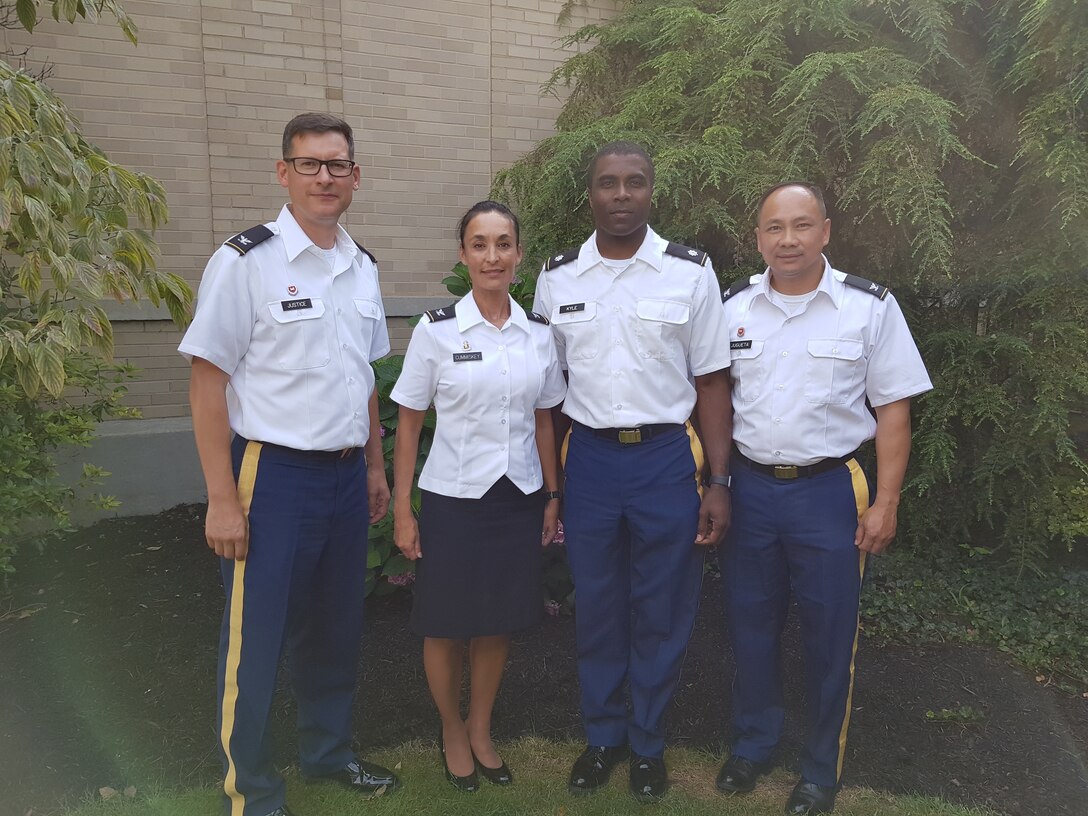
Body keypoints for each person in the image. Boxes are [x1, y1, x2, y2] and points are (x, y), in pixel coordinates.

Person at [178, 112, 399, 816]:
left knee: (334, 631)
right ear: (284, 173)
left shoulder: (359, 266)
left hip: (341, 478)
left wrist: (373, 465)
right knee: (257, 640)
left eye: (337, 165)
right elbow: (208, 381)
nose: (324, 178)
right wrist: (220, 497)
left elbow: (363, 376)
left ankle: (328, 755)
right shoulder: (246, 261)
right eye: (309, 164)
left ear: (355, 176)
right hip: (270, 477)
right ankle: (252, 790)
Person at [716, 182, 933, 815]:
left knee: (829, 635)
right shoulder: (733, 309)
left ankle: (818, 767)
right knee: (750, 626)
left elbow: (893, 410)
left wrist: (886, 500)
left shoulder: (867, 308)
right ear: (757, 238)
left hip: (829, 491)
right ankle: (754, 744)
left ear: (827, 231)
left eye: (802, 225)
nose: (788, 239)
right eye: (774, 227)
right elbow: (714, 402)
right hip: (751, 489)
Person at [532, 142, 734, 802]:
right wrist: (552, 490)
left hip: (663, 462)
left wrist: (719, 483)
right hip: (588, 460)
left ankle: (648, 743)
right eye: (608, 183)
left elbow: (710, 383)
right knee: (596, 606)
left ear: (652, 192)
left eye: (635, 182)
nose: (622, 194)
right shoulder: (558, 277)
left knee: (661, 608)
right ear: (589, 195)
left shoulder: (690, 272)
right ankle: (602, 738)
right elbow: (547, 394)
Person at [390, 201, 565, 793]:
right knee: (445, 625)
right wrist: (402, 509)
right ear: (463, 254)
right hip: (452, 500)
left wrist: (550, 494)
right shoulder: (436, 331)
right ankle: (451, 730)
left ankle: (482, 728)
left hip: (516, 498)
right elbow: (409, 422)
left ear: (518, 254)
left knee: (497, 624)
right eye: (480, 244)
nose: (493, 256)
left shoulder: (539, 335)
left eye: (504, 244)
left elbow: (546, 420)